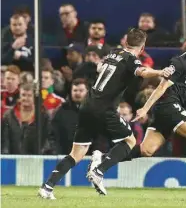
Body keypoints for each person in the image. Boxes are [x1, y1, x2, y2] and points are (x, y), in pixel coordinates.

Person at [38, 28, 172, 199]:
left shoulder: (113, 52)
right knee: (130, 140)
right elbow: (143, 72)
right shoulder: (131, 59)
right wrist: (160, 72)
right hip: (104, 107)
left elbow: (101, 66)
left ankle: (47, 186)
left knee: (77, 152)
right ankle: (99, 170)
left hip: (87, 104)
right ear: (142, 47)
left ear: (125, 43)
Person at [92, 27, 186, 195]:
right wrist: (145, 108)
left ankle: (102, 161)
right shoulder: (179, 61)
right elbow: (161, 86)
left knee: (147, 150)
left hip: (171, 109)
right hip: (168, 105)